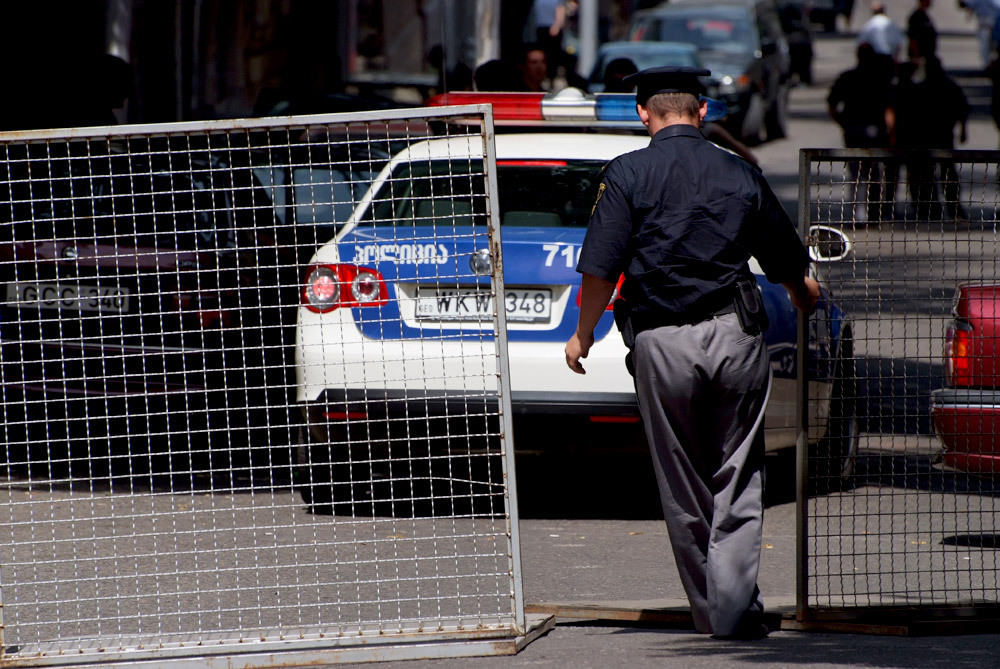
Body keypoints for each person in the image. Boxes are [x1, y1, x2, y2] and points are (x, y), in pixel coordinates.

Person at [564, 66, 819, 640]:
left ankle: (714, 612)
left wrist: (584, 334)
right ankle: (733, 610)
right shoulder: (738, 170)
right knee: (737, 473)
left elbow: (601, 266)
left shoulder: (627, 173)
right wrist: (803, 294)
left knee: (683, 482)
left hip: (662, 342)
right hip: (735, 336)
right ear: (702, 110)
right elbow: (785, 257)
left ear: (643, 114)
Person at [889, 54, 970, 220]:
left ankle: (937, 206)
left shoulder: (931, 87)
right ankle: (936, 206)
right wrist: (963, 129)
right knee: (934, 173)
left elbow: (962, 109)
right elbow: (962, 110)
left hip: (935, 136)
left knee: (932, 173)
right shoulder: (939, 86)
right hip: (935, 137)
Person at [828, 43, 896, 222]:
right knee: (873, 174)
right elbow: (889, 110)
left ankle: (860, 213)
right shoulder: (879, 79)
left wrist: (843, 123)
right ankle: (873, 213)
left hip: (855, 133)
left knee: (857, 174)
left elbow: (832, 105)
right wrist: (891, 132)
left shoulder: (848, 77)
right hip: (873, 133)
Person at [532, 0, 567, 79]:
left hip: (552, 29)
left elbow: (561, 10)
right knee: (542, 53)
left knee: (552, 55)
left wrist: (557, 25)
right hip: (540, 28)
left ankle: (552, 75)